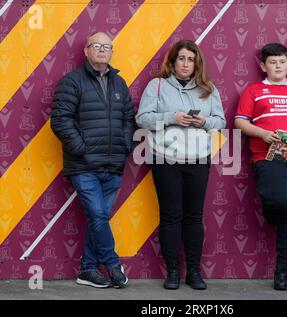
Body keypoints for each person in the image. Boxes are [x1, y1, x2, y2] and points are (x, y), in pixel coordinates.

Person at [136, 40, 226, 290]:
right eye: (181, 59)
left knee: (194, 217)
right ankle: (173, 271)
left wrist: (203, 122)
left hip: (198, 159)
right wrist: (171, 118)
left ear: (197, 62)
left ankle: (194, 272)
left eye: (190, 59)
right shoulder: (157, 85)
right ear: (173, 62)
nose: (186, 64)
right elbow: (142, 119)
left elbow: (220, 121)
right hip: (165, 160)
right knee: (170, 216)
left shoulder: (208, 88)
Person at [51, 31, 135, 289]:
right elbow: (60, 121)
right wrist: (81, 148)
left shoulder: (119, 84)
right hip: (84, 165)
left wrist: (123, 146)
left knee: (98, 218)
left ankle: (87, 269)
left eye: (107, 47)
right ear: (86, 50)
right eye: (96, 45)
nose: (102, 50)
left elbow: (128, 120)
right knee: (98, 214)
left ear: (112, 52)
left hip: (113, 163)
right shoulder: (71, 82)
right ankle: (111, 263)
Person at [234, 43, 287, 290]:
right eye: (272, 62)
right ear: (263, 66)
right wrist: (262, 133)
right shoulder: (254, 91)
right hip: (267, 156)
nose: (278, 66)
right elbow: (240, 121)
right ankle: (273, 213)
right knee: (282, 201)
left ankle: (282, 272)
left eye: (282, 62)